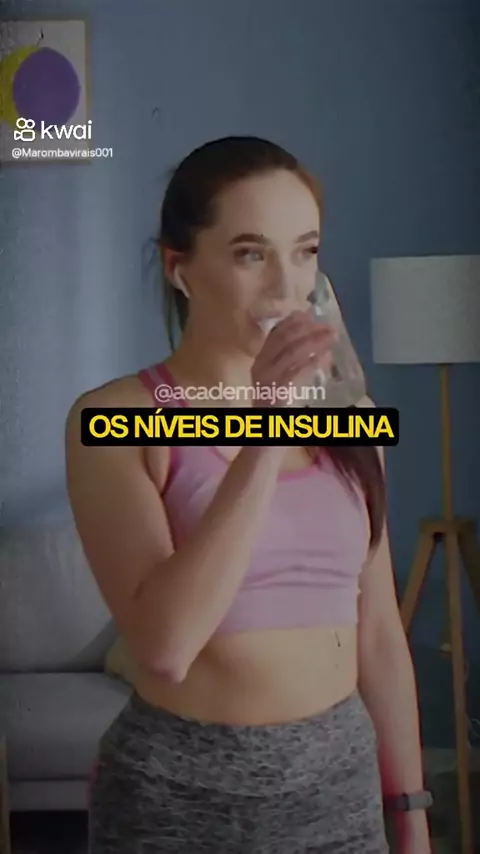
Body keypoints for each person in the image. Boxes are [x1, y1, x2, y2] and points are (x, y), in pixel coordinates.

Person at [65, 136, 431, 853]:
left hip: (341, 791)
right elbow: (165, 646)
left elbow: (381, 637)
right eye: (250, 254)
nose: (285, 288)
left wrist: (411, 817)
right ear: (180, 268)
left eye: (305, 252)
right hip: (179, 801)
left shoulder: (352, 419)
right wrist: (266, 427)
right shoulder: (114, 419)